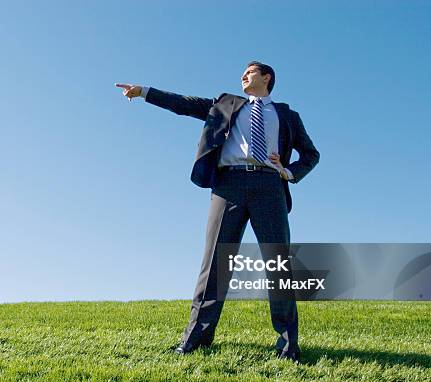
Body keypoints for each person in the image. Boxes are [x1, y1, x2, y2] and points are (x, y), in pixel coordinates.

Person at [115, 61, 319, 362]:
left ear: (266, 77)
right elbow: (183, 104)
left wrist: (288, 171)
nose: (242, 77)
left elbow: (311, 154)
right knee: (214, 264)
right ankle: (196, 338)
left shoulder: (288, 115)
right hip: (228, 185)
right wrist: (144, 92)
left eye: (248, 72)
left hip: (269, 185)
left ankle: (288, 346)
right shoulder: (225, 104)